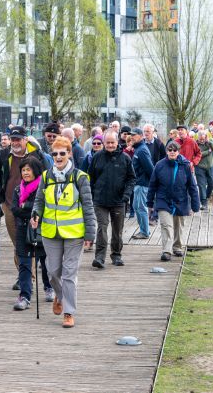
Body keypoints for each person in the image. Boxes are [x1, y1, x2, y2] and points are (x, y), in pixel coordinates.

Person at [31, 136, 96, 328]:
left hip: (75, 233)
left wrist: (90, 234)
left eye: (62, 153)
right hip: (51, 232)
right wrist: (36, 214)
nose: (58, 157)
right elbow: (39, 201)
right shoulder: (45, 177)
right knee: (52, 272)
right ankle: (60, 296)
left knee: (69, 273)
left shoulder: (80, 177)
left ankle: (69, 312)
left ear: (69, 154)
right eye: (55, 153)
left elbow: (88, 206)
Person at [0, 126, 49, 290]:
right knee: (18, 243)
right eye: (13, 139)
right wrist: (1, 201)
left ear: (26, 139)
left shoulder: (36, 154)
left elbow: (46, 176)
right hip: (10, 205)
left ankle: (29, 277)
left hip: (34, 205)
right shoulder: (3, 155)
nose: (15, 142)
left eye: (18, 139)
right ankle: (25, 276)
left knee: (32, 241)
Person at [11, 156, 54, 310]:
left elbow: (42, 209)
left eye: (28, 170)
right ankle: (25, 296)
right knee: (24, 263)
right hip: (23, 229)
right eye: (23, 170)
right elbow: (14, 209)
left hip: (40, 229)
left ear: (35, 171)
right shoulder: (18, 189)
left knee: (45, 261)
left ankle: (49, 287)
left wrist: (26, 206)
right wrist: (27, 210)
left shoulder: (43, 189)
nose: (25, 173)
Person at [88, 130, 136, 268]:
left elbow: (131, 178)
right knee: (102, 228)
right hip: (100, 200)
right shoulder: (97, 157)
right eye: (107, 142)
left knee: (117, 230)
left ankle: (116, 254)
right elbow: (90, 177)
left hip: (118, 201)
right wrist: (92, 194)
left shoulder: (125, 158)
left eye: (112, 142)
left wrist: (126, 195)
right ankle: (99, 257)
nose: (110, 145)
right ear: (103, 143)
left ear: (117, 142)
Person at [147, 141, 200, 262]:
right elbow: (152, 185)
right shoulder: (159, 165)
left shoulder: (186, 165)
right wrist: (149, 202)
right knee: (166, 225)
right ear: (166, 151)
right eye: (169, 150)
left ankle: (177, 247)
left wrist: (195, 204)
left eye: (174, 150)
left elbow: (192, 186)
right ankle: (166, 250)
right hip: (163, 200)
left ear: (178, 151)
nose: (172, 152)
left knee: (178, 225)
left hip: (180, 200)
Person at [130, 128, 154, 239]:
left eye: (134, 135)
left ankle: (144, 232)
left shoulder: (142, 150)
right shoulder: (138, 148)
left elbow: (150, 169)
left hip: (142, 184)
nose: (132, 137)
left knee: (141, 208)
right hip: (138, 183)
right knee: (137, 207)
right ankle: (143, 231)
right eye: (131, 135)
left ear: (140, 136)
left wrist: (151, 184)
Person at [196, 131, 213, 211]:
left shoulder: (210, 142)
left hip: (211, 166)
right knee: (201, 186)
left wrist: (209, 143)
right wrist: (208, 152)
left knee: (212, 183)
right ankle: (204, 203)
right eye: (201, 139)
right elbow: (198, 155)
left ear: (206, 137)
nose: (202, 140)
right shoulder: (195, 144)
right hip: (199, 167)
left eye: (203, 138)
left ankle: (206, 196)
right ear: (198, 137)